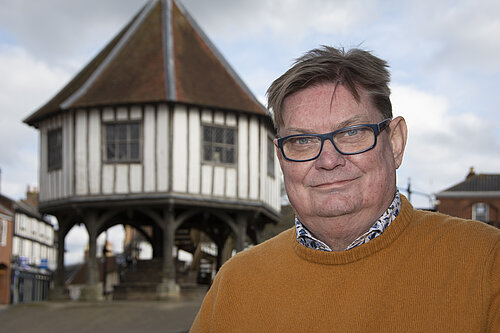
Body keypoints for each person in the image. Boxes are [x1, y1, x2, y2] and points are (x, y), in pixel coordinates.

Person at [189, 46, 500, 332]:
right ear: (281, 156)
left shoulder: (487, 261)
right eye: (302, 140)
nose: (328, 160)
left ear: (394, 142)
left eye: (351, 132)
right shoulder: (234, 284)